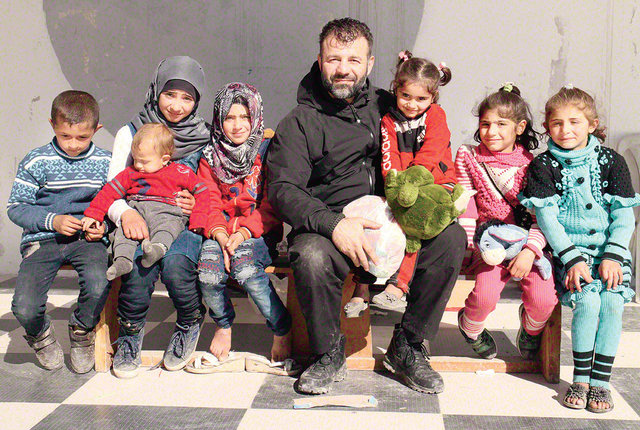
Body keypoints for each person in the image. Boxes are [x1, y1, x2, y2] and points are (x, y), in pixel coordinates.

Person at [268, 17, 466, 395]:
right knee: (310, 255)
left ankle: (408, 347)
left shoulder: (390, 106)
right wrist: (334, 224)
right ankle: (327, 353)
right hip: (332, 224)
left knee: (451, 239)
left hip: (397, 219)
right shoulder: (300, 122)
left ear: (370, 64)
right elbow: (282, 189)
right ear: (320, 60)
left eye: (354, 60)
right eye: (334, 59)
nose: (343, 69)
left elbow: (434, 137)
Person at [521, 86, 638, 413]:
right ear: (547, 127)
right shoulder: (543, 165)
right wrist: (571, 259)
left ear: (592, 124)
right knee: (587, 302)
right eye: (557, 123)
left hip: (611, 252)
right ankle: (581, 379)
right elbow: (547, 220)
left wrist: (613, 254)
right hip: (571, 253)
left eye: (574, 122)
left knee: (612, 303)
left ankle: (601, 383)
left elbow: (624, 216)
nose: (565, 130)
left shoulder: (611, 161)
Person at [107, 56, 210, 378]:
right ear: (156, 91)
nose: (177, 106)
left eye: (187, 98)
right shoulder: (130, 132)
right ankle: (129, 335)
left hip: (183, 224)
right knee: (139, 269)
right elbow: (111, 188)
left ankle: (190, 319)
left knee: (177, 266)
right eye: (170, 94)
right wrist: (125, 214)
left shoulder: (205, 136)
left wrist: (197, 203)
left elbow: (214, 187)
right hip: (137, 219)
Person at [8, 90, 111, 373]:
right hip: (43, 239)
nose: (73, 144)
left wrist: (102, 226)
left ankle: (81, 330)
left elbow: (117, 205)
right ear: (52, 124)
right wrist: (52, 221)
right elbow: (16, 208)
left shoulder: (107, 162)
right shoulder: (36, 160)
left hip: (87, 241)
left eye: (82, 137)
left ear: (97, 130)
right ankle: (40, 335)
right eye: (65, 136)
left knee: (99, 285)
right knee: (24, 307)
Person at [346, 50, 455, 317]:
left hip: (435, 186)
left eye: (421, 98)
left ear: (433, 97)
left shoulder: (436, 116)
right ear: (396, 89)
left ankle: (398, 287)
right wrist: (394, 186)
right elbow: (389, 157)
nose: (412, 104)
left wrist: (413, 181)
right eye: (406, 95)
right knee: (376, 220)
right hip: (403, 186)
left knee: (413, 223)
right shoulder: (389, 121)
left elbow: (432, 151)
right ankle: (362, 285)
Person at [191, 82, 292, 370]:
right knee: (208, 273)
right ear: (218, 119)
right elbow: (208, 201)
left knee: (245, 269)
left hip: (258, 232)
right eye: (229, 118)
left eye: (245, 117)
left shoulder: (269, 151)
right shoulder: (210, 155)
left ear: (255, 116)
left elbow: (271, 204)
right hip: (219, 231)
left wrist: (244, 233)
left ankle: (282, 328)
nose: (237, 126)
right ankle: (223, 324)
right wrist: (221, 235)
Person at [454, 84, 558, 360]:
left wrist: (530, 251)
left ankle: (530, 328)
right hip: (489, 246)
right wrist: (469, 249)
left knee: (543, 301)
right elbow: (465, 205)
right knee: (484, 297)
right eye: (485, 124)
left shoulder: (535, 166)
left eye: (501, 124)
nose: (492, 132)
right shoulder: (469, 157)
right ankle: (469, 328)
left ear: (520, 127)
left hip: (528, 245)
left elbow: (543, 217)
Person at [82, 123, 209, 280]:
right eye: (135, 160)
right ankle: (122, 261)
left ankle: (156, 250)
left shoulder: (181, 172)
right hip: (137, 211)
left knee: (168, 229)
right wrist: (94, 214)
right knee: (124, 233)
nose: (138, 165)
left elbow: (202, 191)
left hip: (167, 212)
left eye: (144, 161)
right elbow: (109, 192)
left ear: (164, 159)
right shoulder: (130, 173)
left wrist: (198, 219)